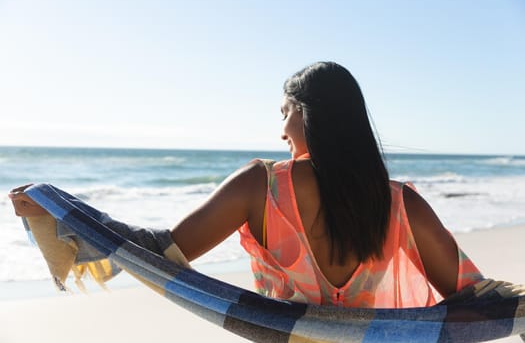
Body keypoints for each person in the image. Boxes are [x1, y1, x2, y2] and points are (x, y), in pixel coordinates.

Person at [9, 61, 483, 308]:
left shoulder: (261, 187)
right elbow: (475, 296)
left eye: (285, 114)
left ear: (307, 114)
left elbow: (160, 251)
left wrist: (61, 213)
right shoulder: (401, 203)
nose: (281, 131)